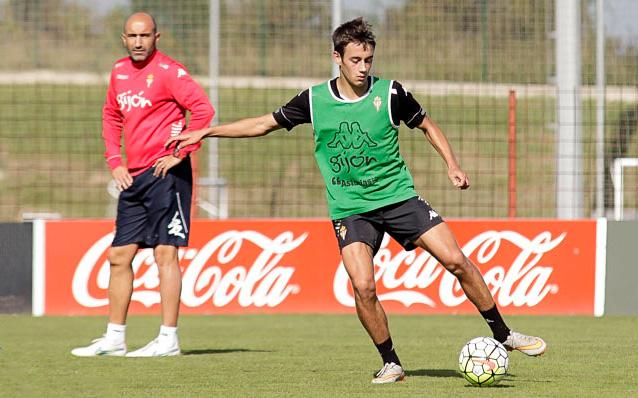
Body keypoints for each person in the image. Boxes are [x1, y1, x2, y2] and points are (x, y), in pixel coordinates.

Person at [165, 17, 546, 382]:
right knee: (363, 285)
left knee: (456, 260)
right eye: (355, 60)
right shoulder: (313, 100)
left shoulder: (391, 93)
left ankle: (503, 333)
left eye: (368, 60)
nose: (363, 68)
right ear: (337, 58)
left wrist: (452, 165)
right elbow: (263, 124)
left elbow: (427, 125)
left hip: (399, 197)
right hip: (350, 208)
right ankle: (391, 363)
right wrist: (206, 132)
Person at [71, 12, 215, 357]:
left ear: (156, 37)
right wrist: (115, 161)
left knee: (166, 254)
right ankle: (115, 338)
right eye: (132, 36)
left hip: (167, 175)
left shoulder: (170, 73)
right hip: (132, 177)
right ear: (124, 39)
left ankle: (168, 339)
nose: (138, 42)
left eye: (145, 36)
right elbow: (110, 116)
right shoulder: (119, 72)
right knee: (119, 255)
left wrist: (183, 152)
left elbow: (203, 111)